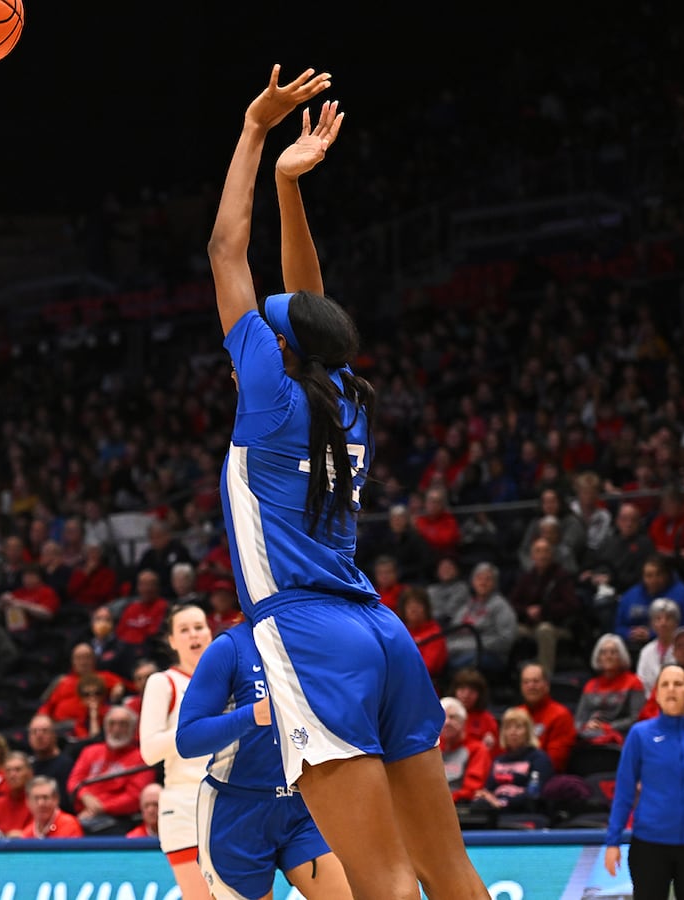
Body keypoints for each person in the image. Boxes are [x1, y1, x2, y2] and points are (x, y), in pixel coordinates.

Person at [208, 68, 486, 900]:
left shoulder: (267, 396)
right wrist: (294, 189)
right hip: (381, 633)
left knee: (386, 884)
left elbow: (227, 250)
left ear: (274, 348)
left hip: (310, 635)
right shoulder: (345, 398)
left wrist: (256, 134)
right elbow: (309, 300)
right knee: (449, 871)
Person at [176, 615, 349, 900]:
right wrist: (252, 715)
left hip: (303, 803)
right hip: (237, 809)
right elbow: (188, 739)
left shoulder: (317, 641)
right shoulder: (230, 647)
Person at [603, 663, 684, 899]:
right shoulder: (639, 735)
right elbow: (624, 791)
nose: (671, 689)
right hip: (650, 846)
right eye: (665, 684)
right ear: (657, 694)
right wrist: (612, 842)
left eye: (678, 684)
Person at [137, 604, 212, 899]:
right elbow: (150, 751)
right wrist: (197, 726)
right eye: (184, 629)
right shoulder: (163, 682)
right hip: (185, 805)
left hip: (232, 802)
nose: (194, 634)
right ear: (171, 640)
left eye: (199, 626)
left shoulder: (230, 682)